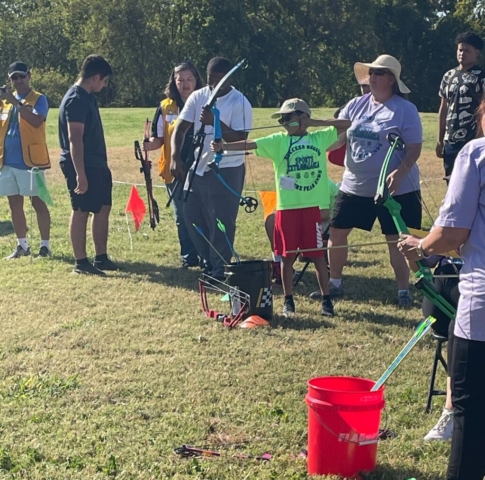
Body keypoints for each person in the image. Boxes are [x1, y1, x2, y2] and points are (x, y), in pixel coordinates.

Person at [398, 96, 485, 479]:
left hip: (481, 314)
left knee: (468, 411)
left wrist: (421, 246)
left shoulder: (477, 154)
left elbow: (451, 233)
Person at [212, 98, 350, 317]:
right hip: (287, 209)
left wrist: (312, 122)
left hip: (312, 208)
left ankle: (326, 301)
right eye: (282, 119)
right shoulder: (278, 141)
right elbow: (250, 144)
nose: (284, 122)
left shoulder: (319, 138)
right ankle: (288, 301)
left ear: (302, 117)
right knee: (286, 257)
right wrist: (224, 147)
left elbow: (347, 124)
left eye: (288, 118)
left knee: (317, 256)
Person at [327, 54, 423, 308]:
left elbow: (414, 148)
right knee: (336, 233)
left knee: (398, 239)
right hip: (354, 185)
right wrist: (308, 128)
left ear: (391, 79)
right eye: (371, 72)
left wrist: (400, 172)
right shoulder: (356, 104)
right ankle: (334, 284)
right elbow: (336, 135)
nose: (372, 77)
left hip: (395, 190)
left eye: (379, 73)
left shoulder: (405, 109)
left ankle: (404, 290)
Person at [170, 57, 252, 281]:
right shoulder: (199, 95)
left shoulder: (240, 102)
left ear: (229, 78)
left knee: (221, 220)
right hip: (199, 166)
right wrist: (175, 156)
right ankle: (208, 261)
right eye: (210, 80)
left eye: (219, 81)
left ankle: (221, 269)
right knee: (191, 213)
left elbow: (242, 138)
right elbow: (181, 127)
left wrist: (215, 122)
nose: (213, 86)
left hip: (227, 168)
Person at [58, 54, 119, 276]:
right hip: (82, 164)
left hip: (96, 163)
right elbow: (75, 139)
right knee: (81, 209)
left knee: (103, 206)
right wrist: (80, 174)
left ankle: (100, 257)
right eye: (104, 81)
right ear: (96, 77)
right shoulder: (76, 99)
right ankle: (81, 262)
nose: (104, 85)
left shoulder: (87, 96)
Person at [143, 61, 204, 268]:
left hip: (201, 168)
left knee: (201, 213)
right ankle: (189, 257)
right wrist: (147, 145)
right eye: (180, 80)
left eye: (189, 79)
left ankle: (206, 255)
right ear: (174, 82)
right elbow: (158, 138)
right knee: (182, 215)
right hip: (174, 170)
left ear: (196, 80)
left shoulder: (205, 103)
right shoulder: (165, 106)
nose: (185, 85)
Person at [0, 61, 51, 259]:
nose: (18, 80)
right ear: (10, 80)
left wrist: (16, 102)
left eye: (21, 76)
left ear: (29, 76)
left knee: (38, 202)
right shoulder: (5, 102)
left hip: (30, 161)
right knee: (14, 203)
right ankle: (22, 245)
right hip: (7, 161)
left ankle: (45, 246)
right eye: (14, 78)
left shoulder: (39, 99)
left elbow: (37, 121)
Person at [421, 256, 461, 441]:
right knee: (437, 320)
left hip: (475, 276)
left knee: (459, 329)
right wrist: (415, 252)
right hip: (445, 274)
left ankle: (451, 411)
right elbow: (426, 261)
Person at [437, 32, 485, 181]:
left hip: (471, 139)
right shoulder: (448, 76)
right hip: (451, 140)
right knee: (451, 181)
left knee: (470, 181)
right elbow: (443, 109)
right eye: (460, 50)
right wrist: (440, 139)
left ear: (476, 52)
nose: (462, 53)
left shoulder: (481, 77)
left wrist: (479, 139)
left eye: (467, 50)